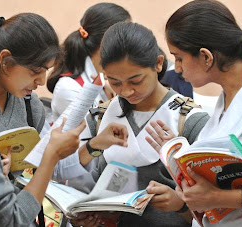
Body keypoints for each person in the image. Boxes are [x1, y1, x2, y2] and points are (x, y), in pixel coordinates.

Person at [0, 5, 86, 227]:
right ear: (5, 60)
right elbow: (11, 218)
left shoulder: (32, 107)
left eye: (46, 72)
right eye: (35, 71)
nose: (41, 81)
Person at [74, 21, 210, 227]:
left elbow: (218, 209)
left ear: (158, 63)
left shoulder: (189, 120)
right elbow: (80, 187)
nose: (126, 91)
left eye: (135, 81)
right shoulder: (100, 117)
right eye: (115, 82)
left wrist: (180, 205)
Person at [147, 0, 242, 226]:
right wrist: (181, 156)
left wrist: (217, 197)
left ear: (206, 57)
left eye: (179, 57)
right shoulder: (225, 100)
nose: (177, 68)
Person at [47, 2, 131, 122]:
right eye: (125, 37)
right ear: (106, 41)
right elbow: (94, 134)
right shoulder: (69, 87)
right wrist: (117, 100)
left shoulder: (112, 76)